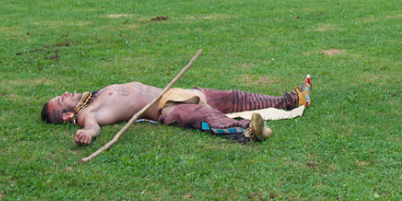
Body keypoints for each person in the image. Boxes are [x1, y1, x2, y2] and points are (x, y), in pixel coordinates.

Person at [40, 79, 312, 145]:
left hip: (174, 92)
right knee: (204, 116)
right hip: (166, 108)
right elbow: (92, 125)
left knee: (233, 97)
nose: (65, 93)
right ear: (65, 115)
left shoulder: (93, 95)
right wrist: (88, 133)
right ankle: (250, 131)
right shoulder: (88, 112)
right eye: (61, 100)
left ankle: (292, 98)